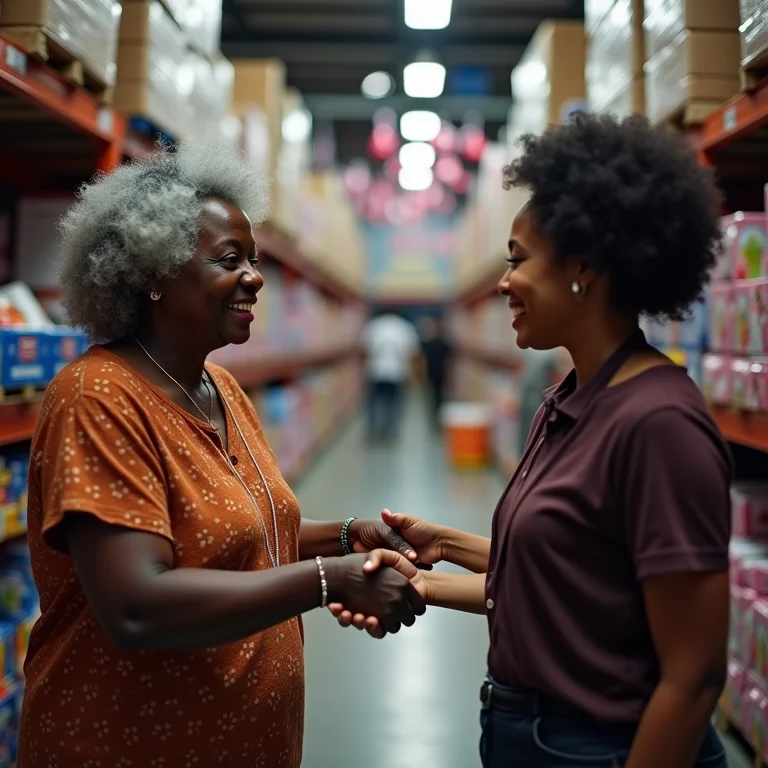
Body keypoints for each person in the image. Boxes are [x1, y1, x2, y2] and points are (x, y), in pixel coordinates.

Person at [331, 113, 731, 768]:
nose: (503, 282)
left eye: (518, 261)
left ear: (584, 267)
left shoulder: (659, 425)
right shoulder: (568, 398)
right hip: (535, 735)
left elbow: (692, 680)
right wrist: (434, 566)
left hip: (603, 747)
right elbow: (569, 579)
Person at [17, 141, 428, 768]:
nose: (255, 277)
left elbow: (242, 534)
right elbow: (136, 605)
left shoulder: (222, 389)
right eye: (229, 259)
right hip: (132, 747)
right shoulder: (97, 397)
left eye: (256, 259)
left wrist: (348, 536)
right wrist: (325, 582)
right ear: (153, 274)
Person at [361, 309, 420, 441]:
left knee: (374, 402)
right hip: (397, 371)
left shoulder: (373, 326)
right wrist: (414, 376)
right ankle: (390, 431)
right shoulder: (405, 327)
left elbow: (365, 350)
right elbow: (412, 353)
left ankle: (373, 429)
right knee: (394, 402)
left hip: (375, 370)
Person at [419, 315, 453, 429]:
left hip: (432, 372)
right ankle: (439, 415)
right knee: (439, 395)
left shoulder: (429, 343)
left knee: (433, 395)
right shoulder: (444, 343)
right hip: (441, 372)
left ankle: (434, 415)